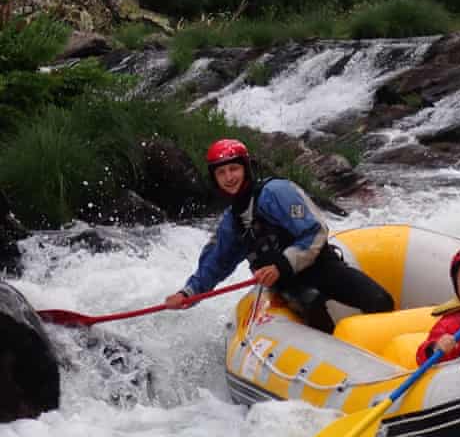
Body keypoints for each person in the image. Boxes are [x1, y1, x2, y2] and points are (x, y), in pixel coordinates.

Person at [164, 138, 394, 333]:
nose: (229, 177)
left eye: (234, 169)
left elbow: (315, 230)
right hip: (288, 285)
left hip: (319, 267)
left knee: (380, 301)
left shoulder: (276, 193)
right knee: (311, 302)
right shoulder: (231, 222)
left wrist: (281, 265)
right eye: (221, 172)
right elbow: (215, 265)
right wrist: (187, 293)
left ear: (245, 169)